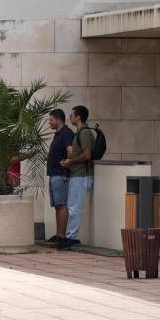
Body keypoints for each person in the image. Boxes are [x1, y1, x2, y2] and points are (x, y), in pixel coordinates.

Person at [59, 105, 95, 251]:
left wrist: (71, 161)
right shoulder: (79, 133)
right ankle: (71, 236)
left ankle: (72, 238)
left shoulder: (84, 133)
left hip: (81, 175)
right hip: (77, 174)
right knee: (72, 206)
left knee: (75, 208)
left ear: (79, 117)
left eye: (72, 115)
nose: (70, 117)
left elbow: (87, 155)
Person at [44, 108, 74, 244]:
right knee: (57, 205)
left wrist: (68, 163)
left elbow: (70, 151)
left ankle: (62, 236)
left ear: (58, 120)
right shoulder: (58, 134)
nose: (49, 123)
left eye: (51, 120)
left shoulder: (66, 133)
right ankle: (58, 234)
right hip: (54, 174)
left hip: (61, 175)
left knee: (61, 204)